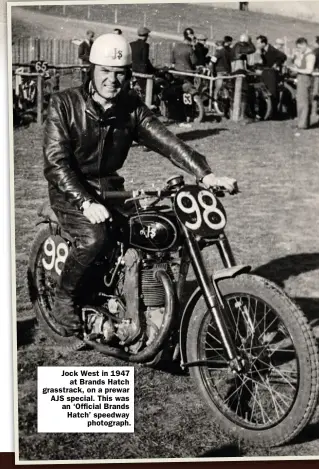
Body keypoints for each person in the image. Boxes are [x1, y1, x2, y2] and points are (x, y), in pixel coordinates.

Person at [43, 33, 237, 336]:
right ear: (91, 70)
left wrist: (205, 174)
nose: (112, 79)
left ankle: (138, 304)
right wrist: (85, 201)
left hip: (111, 187)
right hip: (71, 190)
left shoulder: (131, 108)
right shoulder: (64, 104)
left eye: (120, 73)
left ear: (128, 75)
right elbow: (56, 163)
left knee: (149, 232)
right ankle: (64, 298)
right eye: (105, 71)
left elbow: (168, 142)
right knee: (95, 239)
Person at [256, 35, 287, 118]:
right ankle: (263, 113)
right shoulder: (262, 50)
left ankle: (273, 114)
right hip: (265, 73)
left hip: (272, 74)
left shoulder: (272, 49)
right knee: (263, 92)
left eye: (258, 43)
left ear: (263, 43)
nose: (257, 44)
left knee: (272, 93)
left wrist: (277, 63)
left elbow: (283, 56)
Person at [289, 37, 316, 129]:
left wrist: (296, 69)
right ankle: (301, 122)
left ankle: (303, 124)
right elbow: (300, 64)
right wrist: (297, 57)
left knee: (304, 102)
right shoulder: (304, 54)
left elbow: (309, 70)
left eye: (300, 47)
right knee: (300, 101)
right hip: (301, 77)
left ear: (304, 45)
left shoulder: (310, 56)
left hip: (305, 78)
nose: (299, 49)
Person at [231, 33, 256, 123]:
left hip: (236, 70)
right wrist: (250, 42)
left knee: (239, 93)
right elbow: (252, 49)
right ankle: (242, 115)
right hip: (239, 71)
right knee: (244, 93)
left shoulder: (236, 46)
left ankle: (237, 114)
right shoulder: (240, 46)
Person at [130, 26, 156, 98]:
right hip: (142, 71)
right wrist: (153, 69)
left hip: (133, 69)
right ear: (146, 36)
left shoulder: (131, 44)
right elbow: (145, 60)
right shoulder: (145, 45)